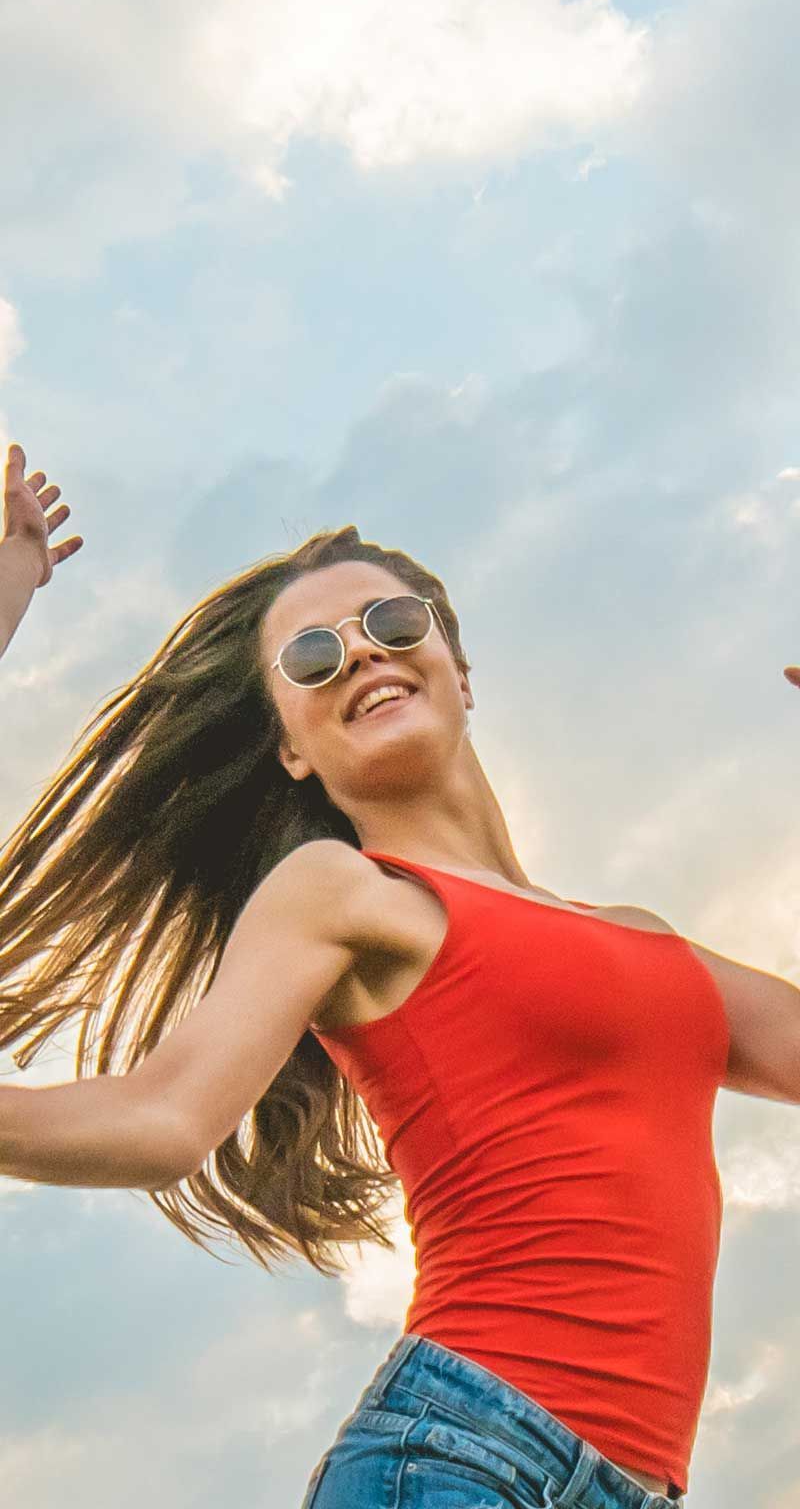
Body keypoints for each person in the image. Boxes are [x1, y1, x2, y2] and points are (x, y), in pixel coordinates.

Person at [1, 441, 799, 1508]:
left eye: (389, 621)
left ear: (459, 673)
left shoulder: (648, 943)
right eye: (310, 657)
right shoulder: (343, 891)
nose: (360, 654)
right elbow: (164, 1118)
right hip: (462, 1459)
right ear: (291, 749)